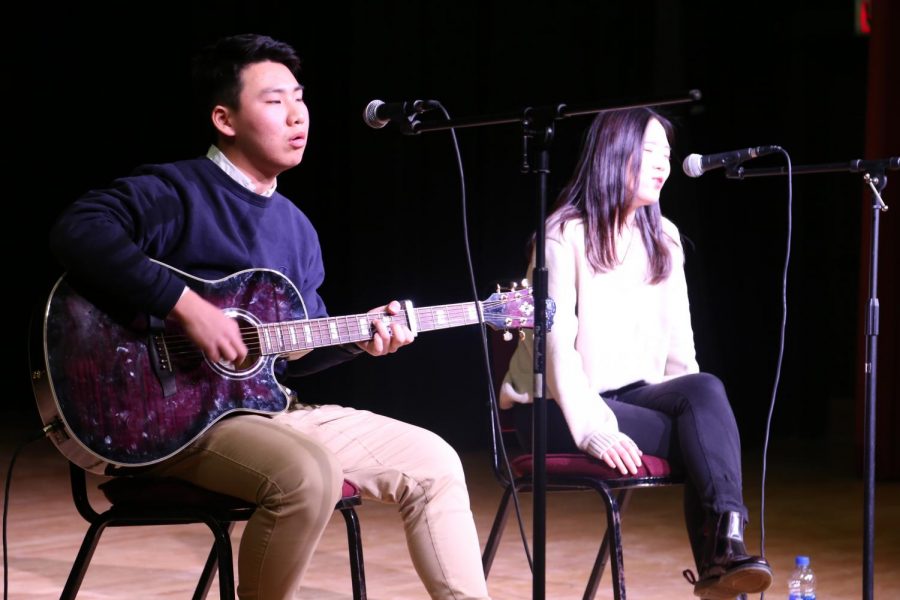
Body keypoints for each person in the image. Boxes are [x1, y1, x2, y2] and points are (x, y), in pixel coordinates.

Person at [49, 33, 491, 600]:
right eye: (274, 100)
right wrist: (186, 308)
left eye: (300, 98)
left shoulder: (297, 228)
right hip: (170, 423)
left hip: (265, 410)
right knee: (308, 475)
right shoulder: (176, 190)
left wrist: (362, 339)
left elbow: (292, 356)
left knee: (434, 460)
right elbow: (77, 232)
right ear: (224, 118)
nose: (297, 114)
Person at [499, 107, 773, 599]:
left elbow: (680, 353)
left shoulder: (664, 237)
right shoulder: (563, 235)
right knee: (700, 440)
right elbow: (555, 345)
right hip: (555, 408)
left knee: (705, 391)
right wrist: (594, 429)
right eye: (648, 152)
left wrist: (699, 413)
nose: (661, 165)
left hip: (632, 399)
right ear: (613, 154)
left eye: (666, 154)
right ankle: (718, 561)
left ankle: (727, 541)